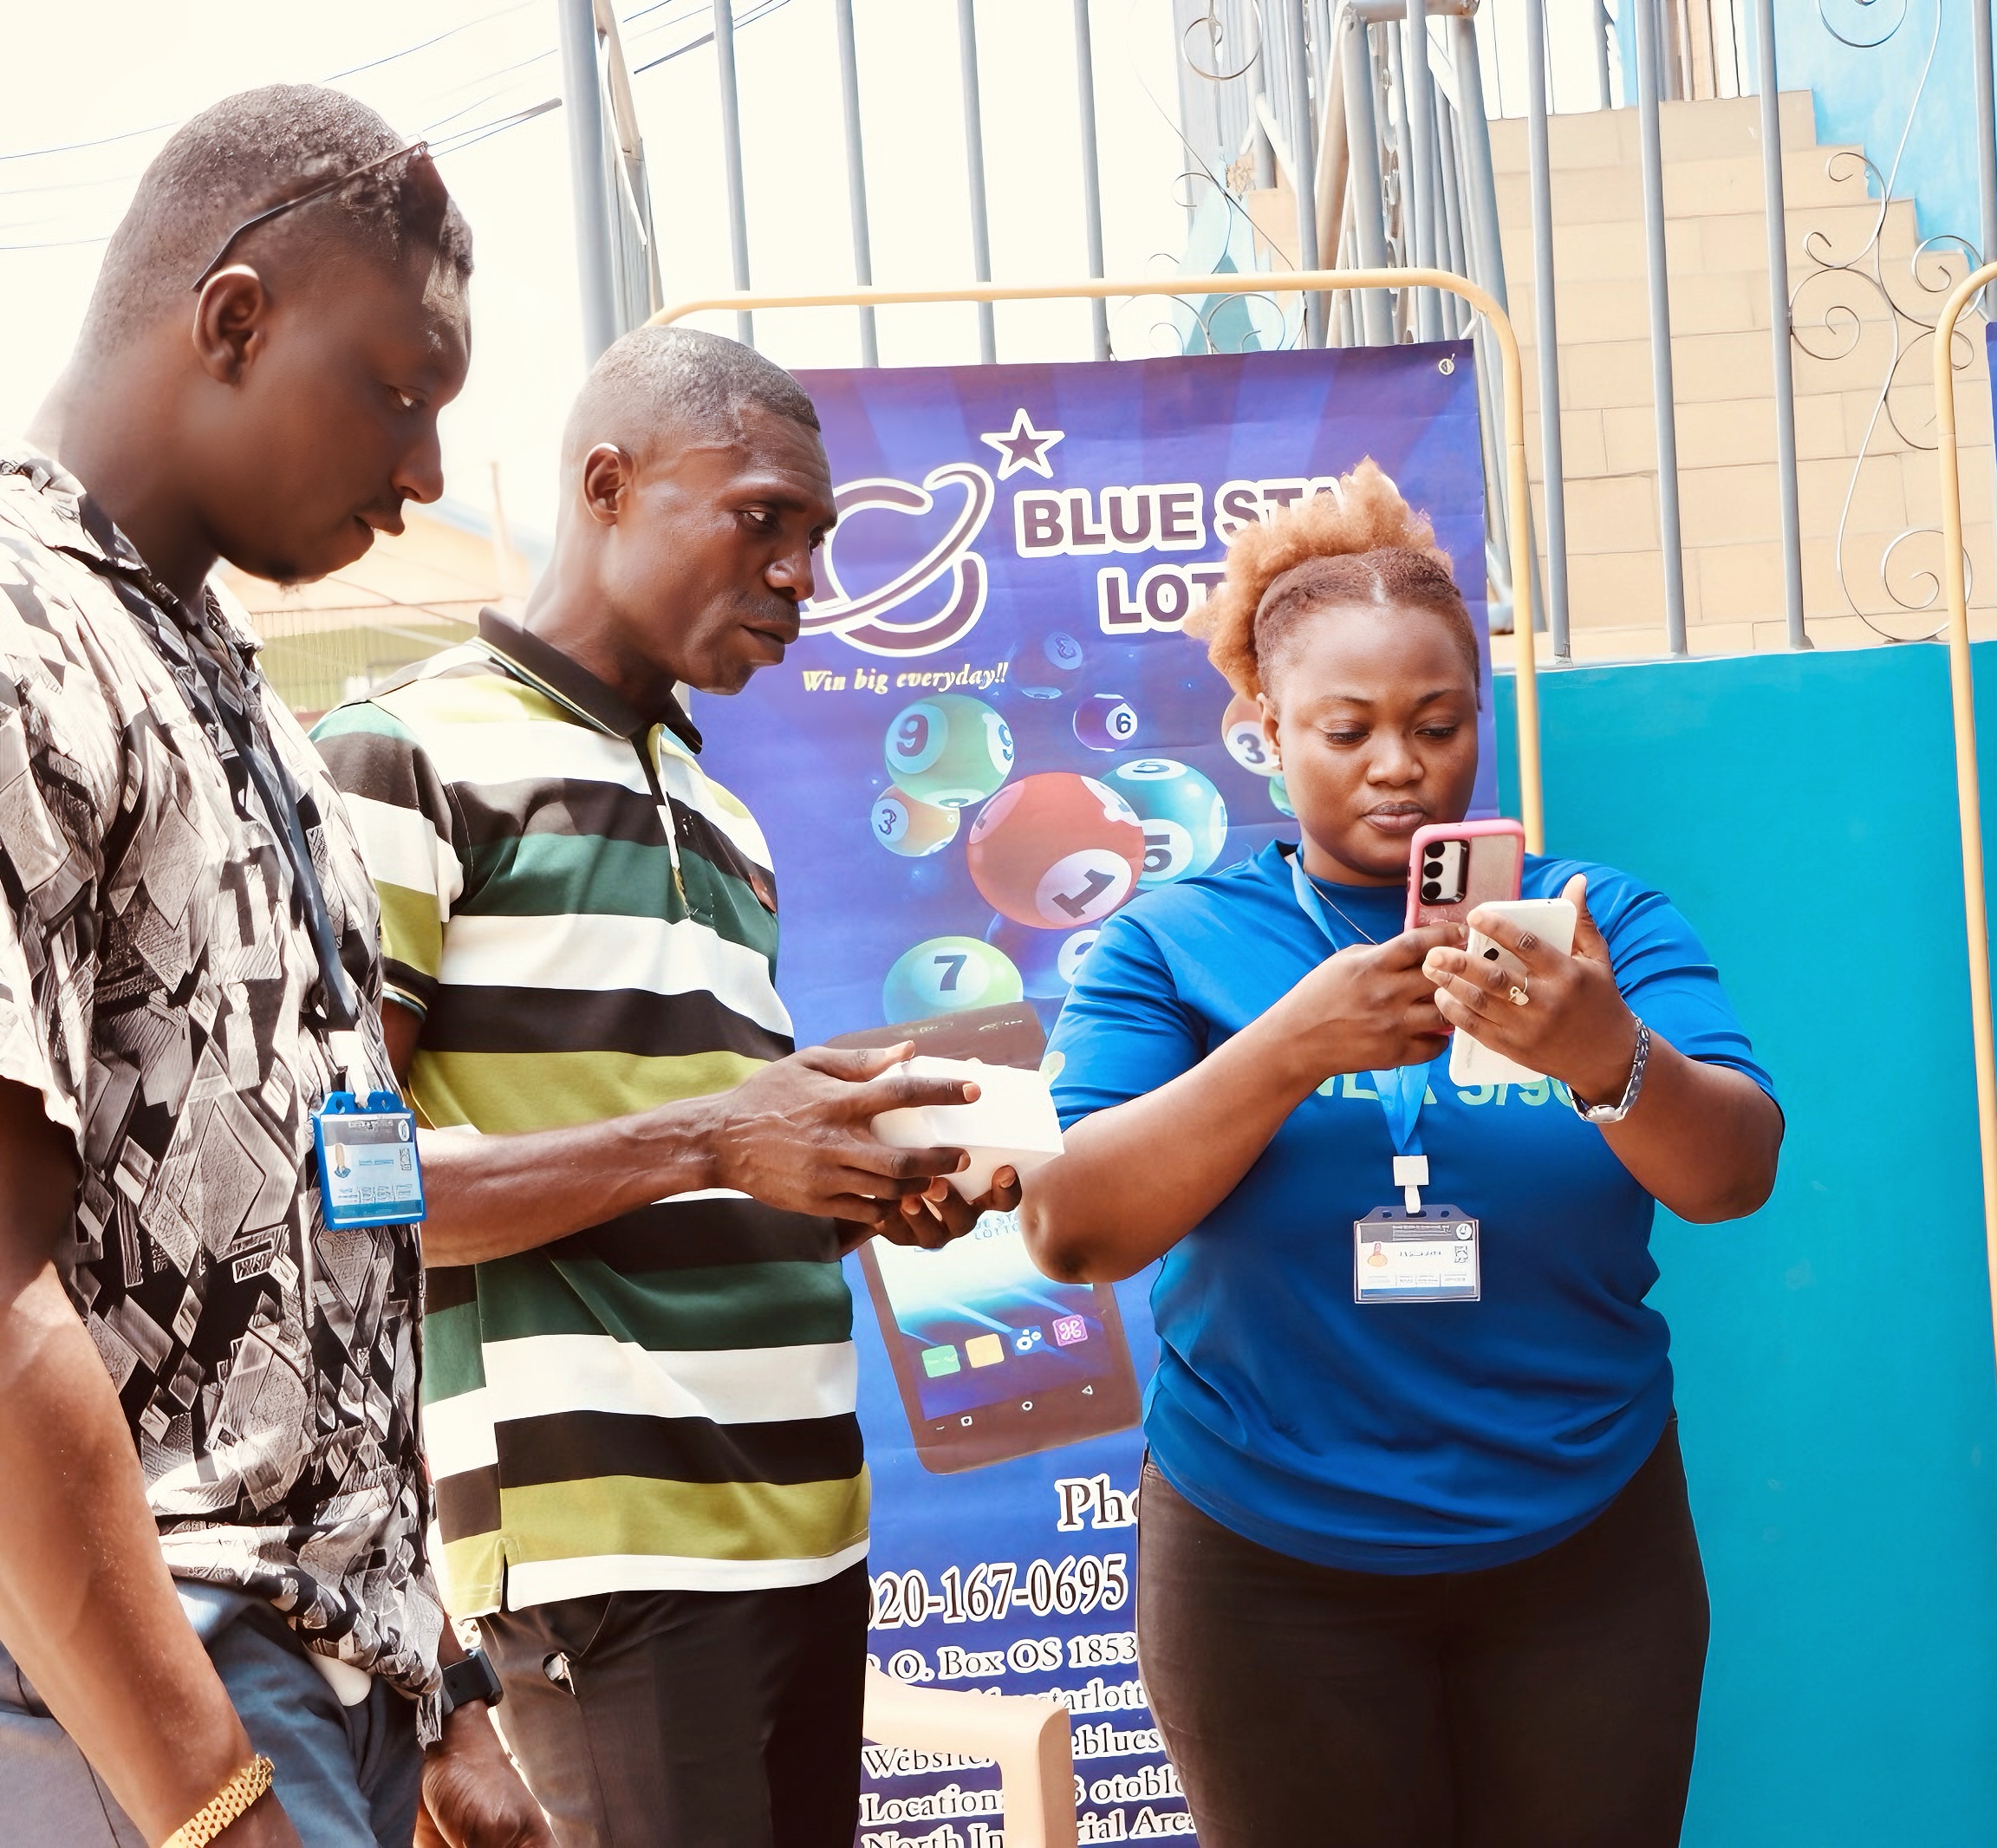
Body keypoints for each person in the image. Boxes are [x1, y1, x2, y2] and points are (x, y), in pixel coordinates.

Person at [1018, 462, 1784, 1848]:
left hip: (1585, 1544)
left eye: (1438, 724)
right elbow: (1074, 1230)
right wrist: (1289, 1048)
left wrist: (1603, 1050)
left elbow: (1733, 1175)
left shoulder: (1597, 924)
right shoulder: (1169, 945)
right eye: (1347, 728)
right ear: (1263, 730)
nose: (1398, 765)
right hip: (1267, 1561)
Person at [313, 326, 1005, 1848]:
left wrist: (849, 1188)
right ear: (607, 485)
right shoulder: (397, 755)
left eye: (817, 537)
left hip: (813, 1535)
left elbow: (693, 1178)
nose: (802, 575)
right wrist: (713, 1137)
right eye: (764, 517)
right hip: (600, 1562)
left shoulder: (725, 816)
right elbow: (337, 1205)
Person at [0, 87, 551, 1848]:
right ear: (234, 319)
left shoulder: (225, 674)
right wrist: (206, 1801)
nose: (427, 472)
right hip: (151, 1687)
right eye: (400, 390)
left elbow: (309, 1240)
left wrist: (437, 1680)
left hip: (326, 1674)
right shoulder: (21, 635)